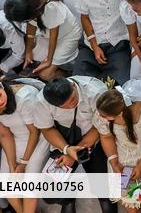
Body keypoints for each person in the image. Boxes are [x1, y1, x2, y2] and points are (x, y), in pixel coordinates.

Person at [35, 76, 117, 213]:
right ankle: (68, 200)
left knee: (102, 184)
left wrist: (74, 156)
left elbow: (100, 126)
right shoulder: (42, 101)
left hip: (93, 137)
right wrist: (67, 149)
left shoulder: (95, 91)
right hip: (63, 139)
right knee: (50, 194)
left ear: (73, 85)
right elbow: (47, 129)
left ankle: (104, 197)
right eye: (64, 106)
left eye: (72, 100)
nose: (70, 105)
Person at [0, 76, 48, 213]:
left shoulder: (25, 97)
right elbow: (4, 135)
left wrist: (23, 163)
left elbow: (34, 132)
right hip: (15, 139)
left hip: (39, 138)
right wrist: (12, 164)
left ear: (1, 85)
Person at [94, 85, 141, 208]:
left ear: (120, 114)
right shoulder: (103, 111)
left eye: (104, 117)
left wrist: (140, 166)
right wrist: (114, 161)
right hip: (122, 150)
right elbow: (106, 137)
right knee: (122, 189)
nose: (100, 117)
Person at [74, 0, 141, 85]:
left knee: (119, 85)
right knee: (79, 83)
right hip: (91, 44)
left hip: (118, 43)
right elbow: (85, 17)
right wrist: (94, 47)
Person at [3, 0, 81, 82]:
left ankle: (69, 75)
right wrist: (28, 51)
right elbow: (31, 27)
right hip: (47, 34)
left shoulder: (51, 7)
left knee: (45, 75)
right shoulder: (29, 5)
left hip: (67, 36)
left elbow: (53, 37)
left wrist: (49, 60)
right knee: (33, 62)